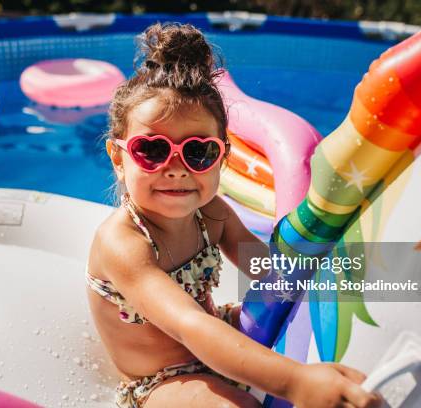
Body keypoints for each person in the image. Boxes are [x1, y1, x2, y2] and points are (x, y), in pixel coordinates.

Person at [86, 22, 382, 408]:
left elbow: (267, 272)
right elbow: (189, 325)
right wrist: (295, 381)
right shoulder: (123, 243)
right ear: (118, 158)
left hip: (218, 326)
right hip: (164, 380)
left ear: (221, 158)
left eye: (198, 152)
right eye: (153, 151)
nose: (176, 168)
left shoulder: (212, 213)